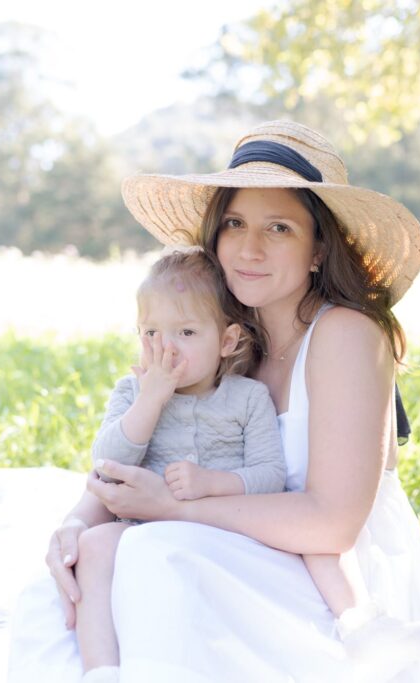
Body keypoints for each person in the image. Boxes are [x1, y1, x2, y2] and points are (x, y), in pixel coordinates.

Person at [8, 120, 420, 682]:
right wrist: (79, 521)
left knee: (154, 558)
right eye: (235, 223)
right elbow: (144, 445)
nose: (249, 248)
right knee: (66, 584)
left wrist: (173, 508)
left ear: (319, 249)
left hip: (335, 580)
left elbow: (332, 527)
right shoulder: (222, 335)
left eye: (279, 227)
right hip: (230, 540)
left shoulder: (345, 334)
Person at [74, 247, 288, 682]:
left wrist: (213, 482)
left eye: (186, 333)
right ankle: (101, 670)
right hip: (138, 530)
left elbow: (271, 476)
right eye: (151, 333)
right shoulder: (132, 392)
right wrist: (150, 400)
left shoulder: (247, 398)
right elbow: (106, 462)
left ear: (226, 341)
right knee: (94, 548)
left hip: (218, 532)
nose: (165, 349)